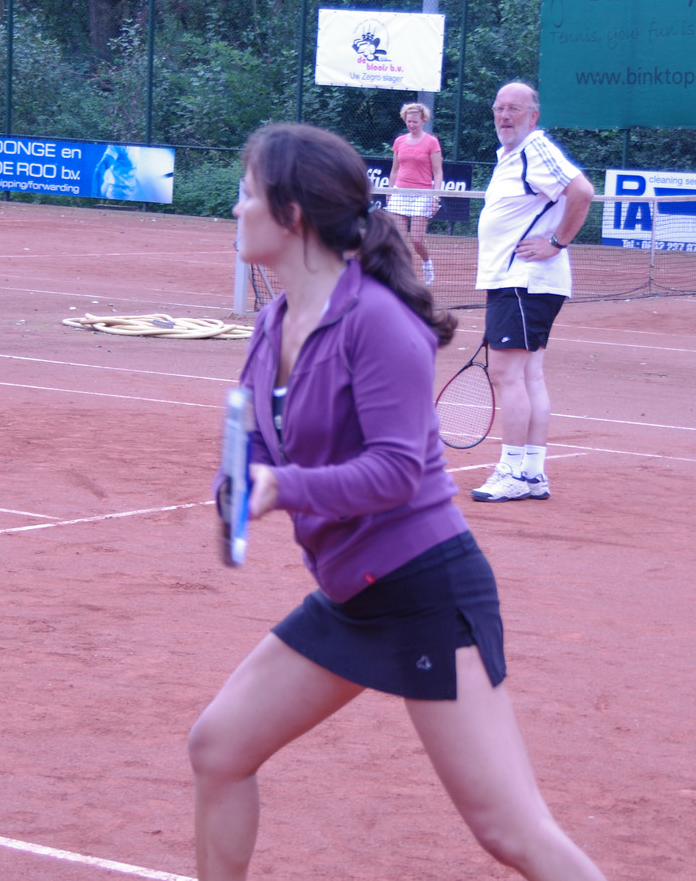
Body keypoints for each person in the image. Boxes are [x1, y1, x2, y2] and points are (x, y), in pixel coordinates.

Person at [189, 123, 608, 881]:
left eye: (247, 193)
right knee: (218, 747)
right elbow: (257, 434)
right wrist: (240, 483)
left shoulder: (378, 321)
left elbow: (393, 472)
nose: (236, 208)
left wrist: (282, 488)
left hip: (425, 591)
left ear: (291, 214)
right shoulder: (273, 321)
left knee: (510, 831)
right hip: (354, 594)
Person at [470, 81, 594, 503]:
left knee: (507, 375)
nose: (504, 116)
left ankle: (511, 472)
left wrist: (557, 243)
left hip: (523, 282)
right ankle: (532, 473)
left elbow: (582, 192)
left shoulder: (535, 149)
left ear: (533, 116)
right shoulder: (511, 156)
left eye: (514, 109)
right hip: (519, 282)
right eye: (499, 108)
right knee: (527, 376)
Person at [385, 101, 443, 285]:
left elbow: (438, 172)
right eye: (409, 121)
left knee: (417, 239)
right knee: (399, 240)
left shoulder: (432, 142)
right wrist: (389, 191)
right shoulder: (399, 141)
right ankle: (402, 276)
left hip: (422, 194)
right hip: (399, 192)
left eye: (415, 121)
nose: (411, 124)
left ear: (423, 120)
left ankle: (427, 263)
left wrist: (435, 198)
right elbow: (394, 170)